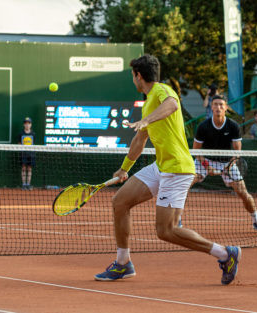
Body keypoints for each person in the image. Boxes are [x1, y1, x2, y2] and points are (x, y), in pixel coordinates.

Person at [94, 54, 241, 285]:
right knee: (120, 202)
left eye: (133, 76)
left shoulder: (162, 91)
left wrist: (147, 120)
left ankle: (225, 254)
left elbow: (173, 105)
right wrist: (124, 169)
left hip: (178, 169)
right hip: (161, 166)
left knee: (166, 231)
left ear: (138, 76)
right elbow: (140, 141)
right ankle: (123, 263)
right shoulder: (148, 103)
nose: (133, 80)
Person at [193, 95, 257, 233]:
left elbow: (237, 152)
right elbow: (195, 150)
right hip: (205, 160)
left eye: (221, 105)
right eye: (215, 104)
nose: (218, 107)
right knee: (185, 183)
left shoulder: (233, 126)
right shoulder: (203, 126)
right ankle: (177, 218)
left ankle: (256, 221)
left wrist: (228, 166)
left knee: (243, 193)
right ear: (211, 107)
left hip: (228, 162)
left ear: (226, 108)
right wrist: (206, 165)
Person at [19, 117, 36, 190]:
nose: (27, 125)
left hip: (31, 154)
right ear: (24, 125)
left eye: (28, 123)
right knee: (23, 168)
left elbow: (33, 144)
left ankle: (28, 184)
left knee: (29, 169)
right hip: (23, 154)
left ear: (30, 125)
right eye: (26, 123)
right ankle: (24, 184)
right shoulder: (21, 134)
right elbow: (19, 144)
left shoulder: (33, 134)